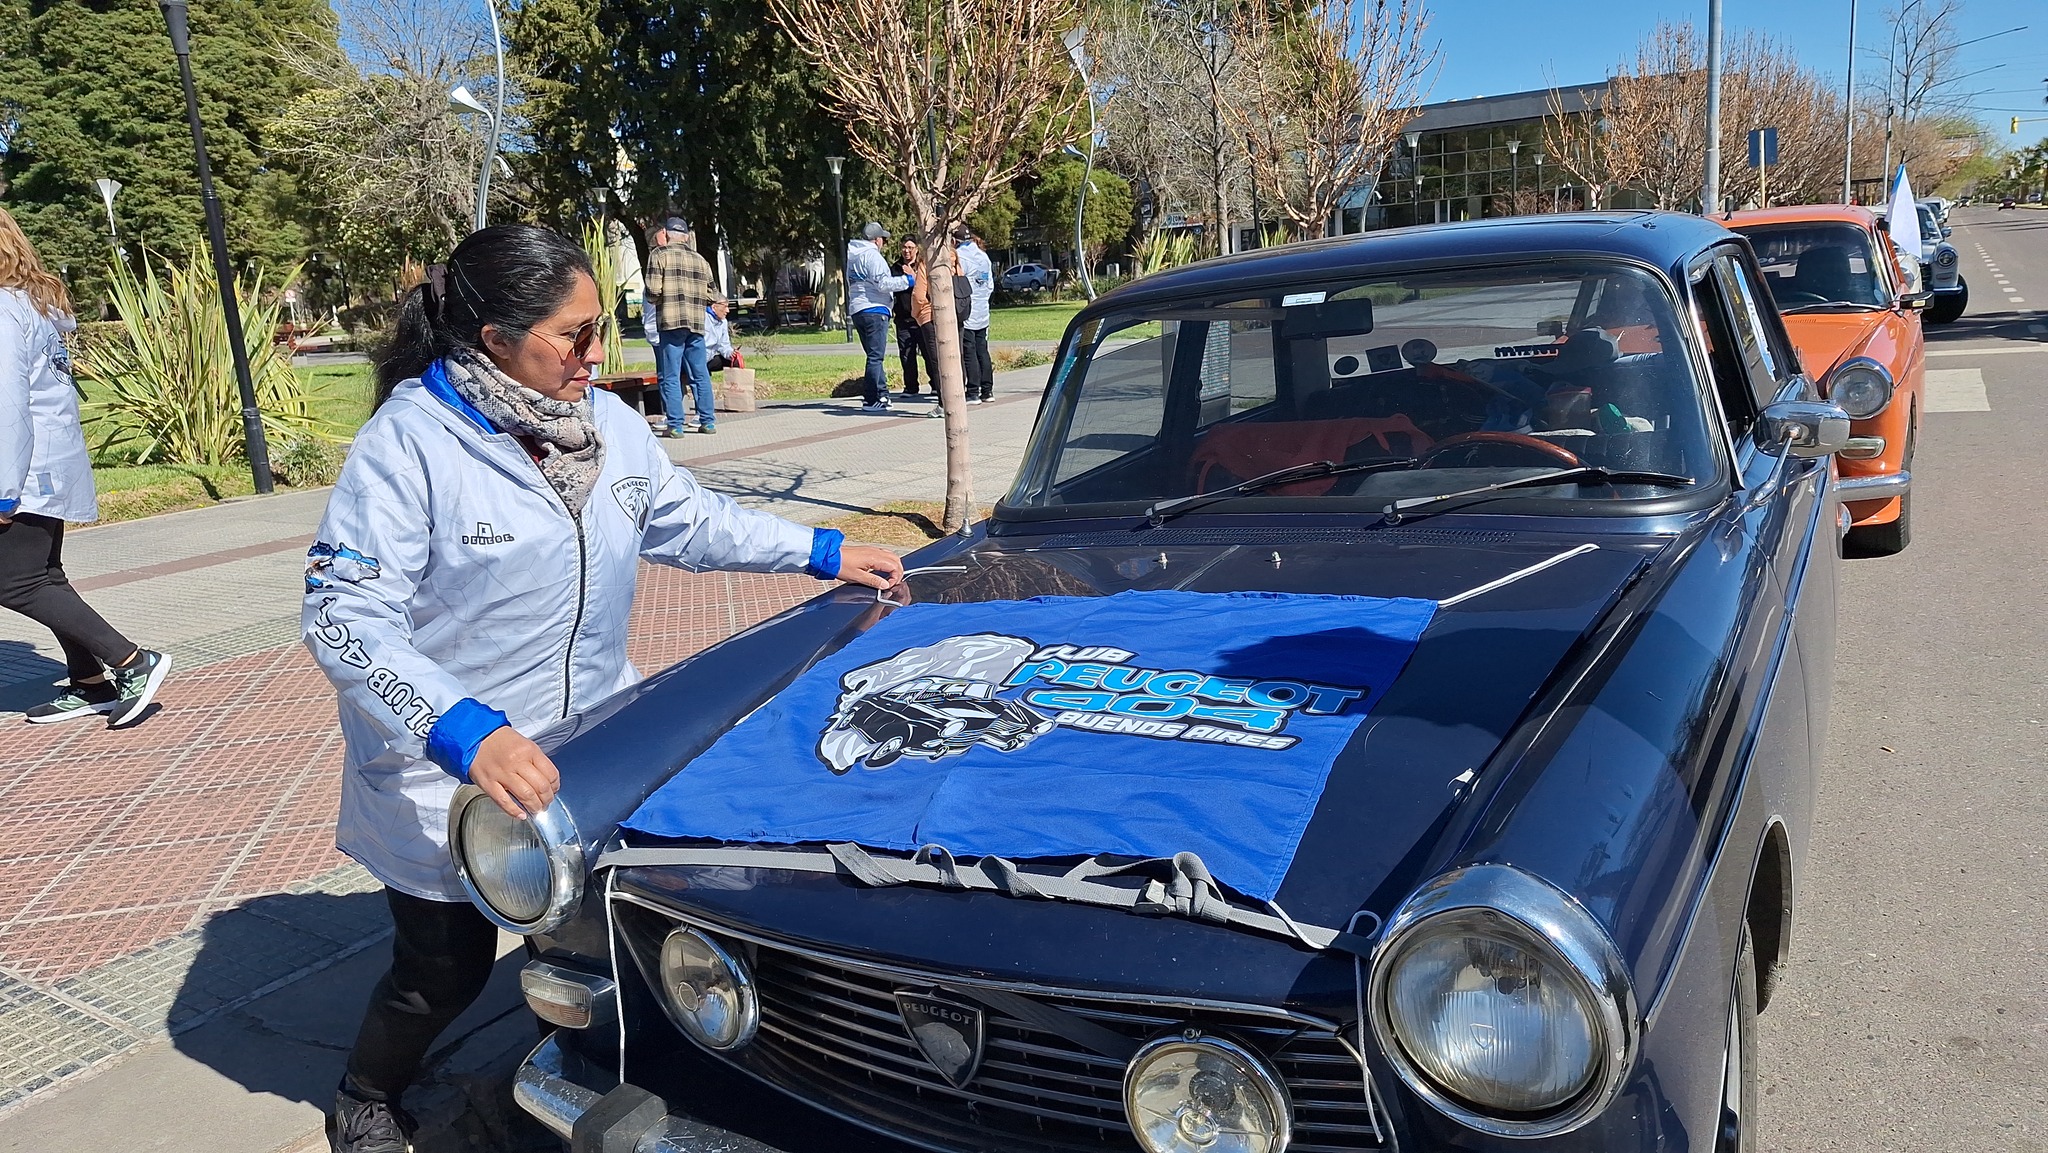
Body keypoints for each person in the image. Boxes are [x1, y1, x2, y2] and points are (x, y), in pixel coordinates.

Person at [305, 223, 904, 1153]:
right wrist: (466, 731)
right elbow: (344, 616)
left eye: (601, 329)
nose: (597, 355)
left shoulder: (612, 427)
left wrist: (823, 550)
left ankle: (585, 1066)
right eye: (572, 336)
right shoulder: (409, 446)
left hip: (591, 747)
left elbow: (689, 523)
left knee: (601, 934)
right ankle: (366, 1091)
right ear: (494, 338)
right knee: (444, 973)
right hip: (452, 766)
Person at [0, 205, 173, 727]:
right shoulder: (30, 300)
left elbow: (7, 406)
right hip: (48, 461)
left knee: (16, 584)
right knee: (44, 576)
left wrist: (4, 491)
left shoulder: (4, 309)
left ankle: (133, 661)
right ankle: (89, 681)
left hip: (24, 468)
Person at [642, 217, 720, 435]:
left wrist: (659, 299)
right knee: (700, 374)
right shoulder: (701, 260)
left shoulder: (659, 255)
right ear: (686, 237)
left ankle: (675, 425)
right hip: (696, 323)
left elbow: (653, 291)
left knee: (671, 375)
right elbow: (712, 293)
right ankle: (708, 421)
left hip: (670, 322)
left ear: (666, 234)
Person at [847, 222, 912, 412]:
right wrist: (908, 280)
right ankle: (871, 399)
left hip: (858, 309)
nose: (883, 242)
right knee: (876, 357)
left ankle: (882, 394)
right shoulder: (873, 256)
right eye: (883, 238)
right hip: (875, 309)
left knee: (873, 356)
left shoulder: (853, 256)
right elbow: (883, 284)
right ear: (876, 240)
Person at [954, 227, 996, 403]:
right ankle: (987, 390)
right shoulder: (983, 256)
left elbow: (958, 282)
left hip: (967, 309)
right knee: (982, 350)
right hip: (982, 309)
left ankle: (972, 391)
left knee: (968, 350)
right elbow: (990, 285)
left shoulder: (959, 257)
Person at [893, 238, 937, 398]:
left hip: (922, 317)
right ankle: (911, 387)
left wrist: (914, 275)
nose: (907, 251)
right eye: (904, 247)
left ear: (917, 249)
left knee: (929, 352)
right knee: (906, 353)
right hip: (903, 318)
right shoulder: (896, 267)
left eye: (910, 247)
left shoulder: (923, 265)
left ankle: (935, 384)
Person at [704, 298, 738, 373]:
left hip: (709, 359)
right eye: (725, 307)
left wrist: (731, 353)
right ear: (714, 307)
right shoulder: (704, 318)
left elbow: (724, 345)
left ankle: (733, 384)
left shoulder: (723, 321)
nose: (728, 311)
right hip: (697, 359)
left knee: (735, 361)